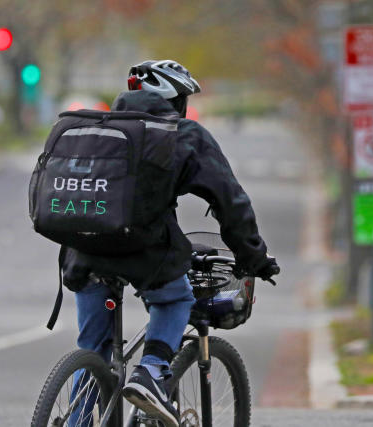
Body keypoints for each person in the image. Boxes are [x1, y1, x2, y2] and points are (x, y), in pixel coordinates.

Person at [63, 60, 279, 426]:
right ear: (173, 100)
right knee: (176, 297)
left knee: (94, 352)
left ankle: (76, 421)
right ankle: (152, 371)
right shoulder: (182, 134)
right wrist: (253, 256)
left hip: (83, 251)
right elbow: (230, 200)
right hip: (143, 252)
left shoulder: (95, 127)